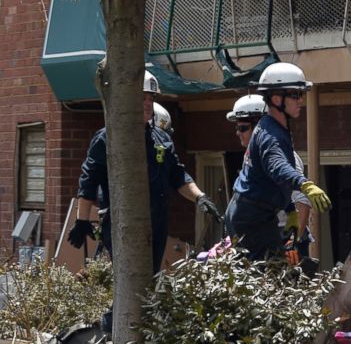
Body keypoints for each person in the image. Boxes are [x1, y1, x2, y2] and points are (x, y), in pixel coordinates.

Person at [68, 70, 223, 275]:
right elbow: (88, 182)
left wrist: (200, 198)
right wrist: (82, 220)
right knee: (132, 279)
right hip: (122, 222)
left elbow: (178, 175)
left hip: (157, 221)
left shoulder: (161, 139)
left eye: (151, 98)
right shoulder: (108, 138)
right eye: (142, 97)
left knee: (148, 280)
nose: (148, 103)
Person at [224, 62, 330, 260]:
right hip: (253, 218)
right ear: (275, 99)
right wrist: (305, 184)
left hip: (252, 214)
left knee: (271, 272)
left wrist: (290, 209)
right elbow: (278, 167)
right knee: (269, 275)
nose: (301, 100)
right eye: (295, 95)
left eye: (301, 94)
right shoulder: (271, 135)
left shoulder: (272, 128)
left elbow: (273, 181)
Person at [227, 94, 315, 258]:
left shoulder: (281, 156)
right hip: (262, 231)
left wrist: (291, 245)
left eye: (243, 128)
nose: (238, 133)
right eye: (237, 128)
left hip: (283, 235)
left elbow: (302, 202)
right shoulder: (253, 155)